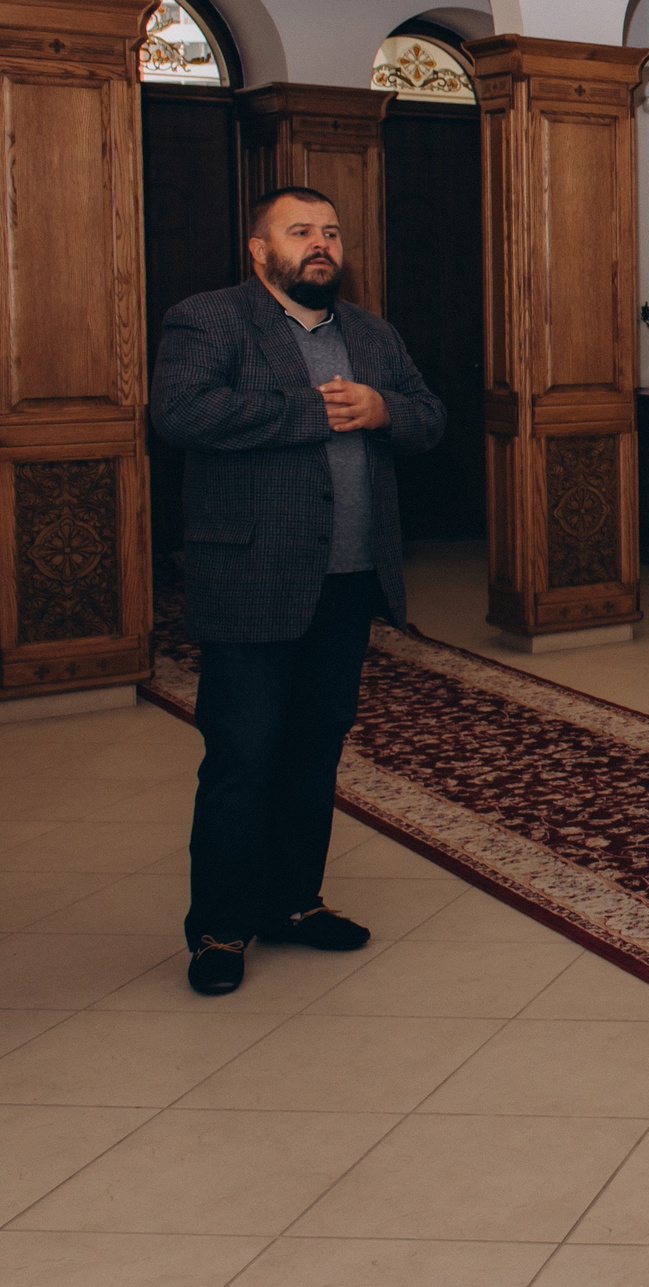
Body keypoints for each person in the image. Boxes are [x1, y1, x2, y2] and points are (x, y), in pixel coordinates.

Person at [149, 186, 447, 997]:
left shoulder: (372, 334)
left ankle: (292, 903)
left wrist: (383, 407)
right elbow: (180, 412)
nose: (321, 244)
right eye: (301, 231)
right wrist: (312, 413)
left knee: (315, 752)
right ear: (259, 250)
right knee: (242, 757)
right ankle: (218, 926)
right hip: (251, 576)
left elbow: (429, 418)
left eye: (331, 232)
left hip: (348, 581)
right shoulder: (209, 319)